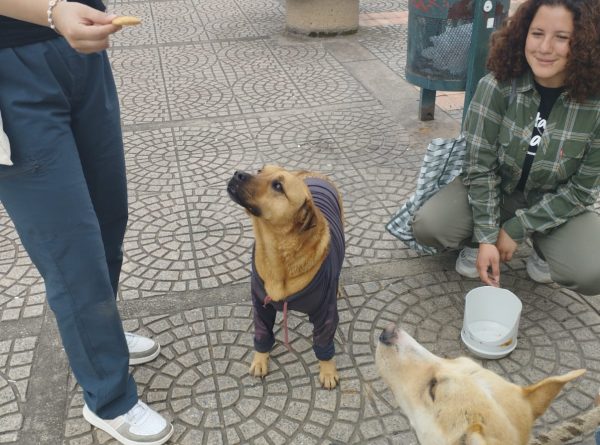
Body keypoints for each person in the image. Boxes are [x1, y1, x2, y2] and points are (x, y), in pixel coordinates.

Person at [0, 1, 174, 444]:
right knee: (70, 250)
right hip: (10, 70)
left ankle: (105, 339)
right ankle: (108, 398)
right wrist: (53, 10)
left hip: (83, 56)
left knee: (107, 218)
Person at [411, 0, 600, 296]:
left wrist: (516, 229)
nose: (545, 47)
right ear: (523, 33)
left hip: (554, 201)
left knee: (593, 270)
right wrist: (487, 236)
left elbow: (582, 191)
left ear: (587, 43)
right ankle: (476, 241)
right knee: (430, 226)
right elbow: (480, 166)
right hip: (499, 190)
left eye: (561, 37)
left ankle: (543, 246)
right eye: (537, 33)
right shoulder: (497, 86)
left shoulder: (596, 106)